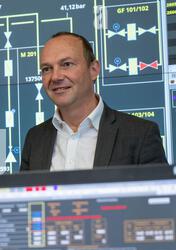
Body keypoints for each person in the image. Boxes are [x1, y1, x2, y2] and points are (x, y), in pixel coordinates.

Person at [20, 32, 167, 171]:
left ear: (93, 69)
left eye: (67, 64)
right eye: (47, 69)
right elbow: (25, 197)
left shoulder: (141, 135)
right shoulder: (35, 139)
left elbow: (160, 196)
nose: (56, 76)